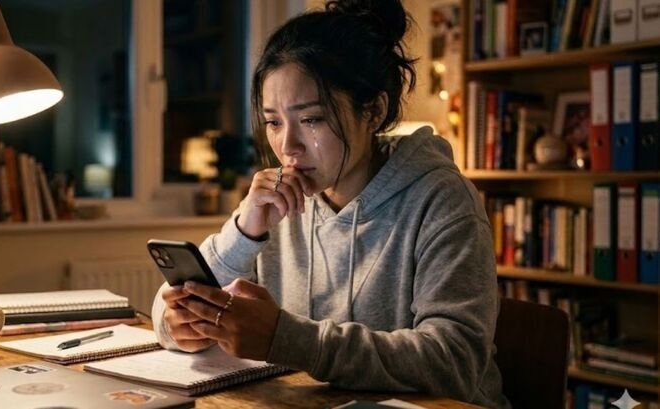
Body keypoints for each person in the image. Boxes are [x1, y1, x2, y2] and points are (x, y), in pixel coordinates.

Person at [151, 1, 510, 407]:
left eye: (311, 120)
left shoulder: (440, 199)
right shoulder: (276, 202)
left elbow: (454, 363)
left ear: (373, 110)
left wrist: (285, 339)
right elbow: (164, 314)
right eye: (273, 122)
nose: (287, 146)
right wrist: (242, 235)